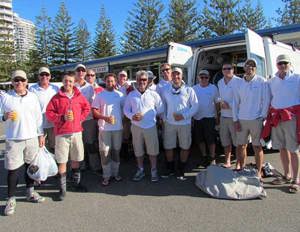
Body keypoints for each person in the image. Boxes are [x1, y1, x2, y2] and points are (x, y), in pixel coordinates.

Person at [2, 70, 45, 216]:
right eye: (16, 80)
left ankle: (30, 192)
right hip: (14, 139)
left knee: (31, 167)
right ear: (12, 82)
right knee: (13, 170)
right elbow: (1, 115)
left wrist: (41, 135)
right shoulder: (6, 98)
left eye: (22, 80)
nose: (19, 82)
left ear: (27, 81)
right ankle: (11, 199)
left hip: (32, 137)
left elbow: (38, 118)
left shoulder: (33, 97)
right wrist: (4, 116)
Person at [46, 71, 90, 200]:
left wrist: (79, 118)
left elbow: (87, 108)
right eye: (65, 81)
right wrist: (61, 118)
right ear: (62, 82)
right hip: (62, 134)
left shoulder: (78, 96)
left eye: (70, 81)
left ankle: (76, 184)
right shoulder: (56, 97)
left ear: (74, 82)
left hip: (76, 132)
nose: (68, 83)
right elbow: (49, 113)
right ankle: (62, 188)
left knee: (76, 159)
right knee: (62, 160)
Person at [265, 54, 300, 193]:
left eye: (285, 63)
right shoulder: (272, 81)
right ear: (276, 65)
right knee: (281, 148)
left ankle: (295, 179)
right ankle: (287, 175)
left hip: (291, 118)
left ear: (290, 64)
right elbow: (270, 98)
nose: (282, 65)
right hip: (277, 117)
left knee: (293, 149)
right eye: (280, 63)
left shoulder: (297, 79)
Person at [232, 59, 270, 179]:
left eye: (253, 66)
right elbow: (235, 102)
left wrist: (262, 117)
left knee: (257, 146)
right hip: (241, 119)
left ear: (256, 68)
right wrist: (235, 119)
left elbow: (266, 100)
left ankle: (258, 172)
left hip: (256, 119)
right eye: (247, 65)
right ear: (244, 68)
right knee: (241, 146)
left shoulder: (262, 81)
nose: (250, 68)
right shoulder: (239, 83)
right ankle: (241, 169)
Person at [124, 70, 164, 182]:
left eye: (144, 79)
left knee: (152, 151)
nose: (142, 82)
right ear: (136, 80)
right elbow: (126, 110)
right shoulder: (131, 95)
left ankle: (154, 170)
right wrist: (132, 116)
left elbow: (161, 109)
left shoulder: (154, 94)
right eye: (140, 79)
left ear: (148, 81)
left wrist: (150, 114)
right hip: (136, 127)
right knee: (138, 150)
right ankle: (140, 170)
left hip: (150, 126)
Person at [161, 67, 198, 180]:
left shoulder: (189, 90)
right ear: (171, 76)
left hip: (184, 123)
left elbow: (195, 106)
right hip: (170, 124)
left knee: (185, 146)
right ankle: (170, 169)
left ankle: (181, 169)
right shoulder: (166, 90)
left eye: (178, 74)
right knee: (168, 146)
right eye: (174, 74)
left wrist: (183, 116)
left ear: (182, 76)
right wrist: (165, 119)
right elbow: (163, 106)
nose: (176, 77)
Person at [92, 73, 124, 186]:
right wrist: (105, 118)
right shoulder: (100, 95)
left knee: (116, 151)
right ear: (105, 82)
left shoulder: (120, 95)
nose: (110, 83)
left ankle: (115, 174)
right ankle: (106, 176)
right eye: (108, 81)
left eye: (112, 81)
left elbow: (124, 110)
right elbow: (94, 111)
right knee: (105, 152)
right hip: (104, 128)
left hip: (117, 128)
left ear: (115, 82)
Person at [217, 62, 242, 168]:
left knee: (237, 142)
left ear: (233, 69)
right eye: (224, 68)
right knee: (225, 140)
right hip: (224, 116)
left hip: (235, 117)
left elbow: (243, 99)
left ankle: (238, 163)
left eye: (229, 68)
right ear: (222, 70)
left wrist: (230, 105)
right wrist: (220, 103)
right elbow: (219, 97)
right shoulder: (219, 82)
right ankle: (227, 161)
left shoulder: (240, 81)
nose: (227, 70)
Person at [29, 67, 59, 153]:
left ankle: (55, 166)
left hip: (53, 124)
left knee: (55, 147)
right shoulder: (32, 89)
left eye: (47, 74)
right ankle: (45, 166)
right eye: (42, 74)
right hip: (39, 125)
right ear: (38, 76)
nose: (44, 76)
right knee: (41, 148)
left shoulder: (55, 88)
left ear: (50, 76)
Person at [193, 70, 219, 166]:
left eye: (206, 77)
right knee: (200, 139)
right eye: (201, 77)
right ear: (198, 78)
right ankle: (204, 156)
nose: (204, 79)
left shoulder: (213, 88)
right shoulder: (194, 88)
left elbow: (217, 103)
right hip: (197, 118)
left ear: (209, 78)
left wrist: (217, 117)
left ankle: (212, 157)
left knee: (211, 139)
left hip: (210, 117)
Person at [74, 64, 96, 170]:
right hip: (75, 121)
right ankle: (81, 166)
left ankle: (94, 166)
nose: (80, 72)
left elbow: (93, 104)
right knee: (78, 145)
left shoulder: (90, 87)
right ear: (75, 73)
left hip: (88, 119)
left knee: (90, 143)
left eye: (83, 70)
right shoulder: (72, 86)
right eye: (78, 70)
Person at [117, 70, 134, 160]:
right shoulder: (114, 86)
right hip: (116, 113)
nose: (122, 78)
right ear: (118, 77)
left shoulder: (129, 87)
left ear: (126, 78)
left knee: (126, 134)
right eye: (121, 76)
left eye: (124, 76)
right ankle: (119, 153)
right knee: (118, 134)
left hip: (126, 114)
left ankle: (125, 153)